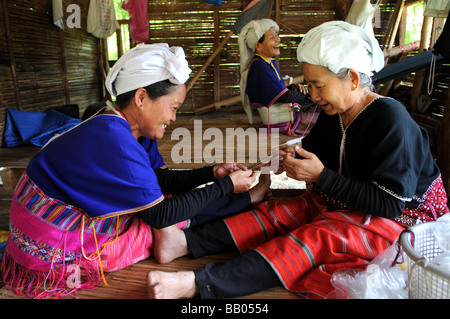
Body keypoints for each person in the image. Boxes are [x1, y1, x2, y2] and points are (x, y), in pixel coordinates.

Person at [146, 21, 449, 299]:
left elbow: (389, 203)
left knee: (321, 235)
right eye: (311, 85)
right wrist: (289, 157)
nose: (313, 95)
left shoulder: (390, 120)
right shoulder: (335, 112)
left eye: (319, 85)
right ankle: (185, 243)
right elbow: (314, 154)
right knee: (285, 211)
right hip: (347, 203)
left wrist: (321, 177)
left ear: (353, 79)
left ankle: (199, 283)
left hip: (406, 222)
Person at [1, 43, 270, 298]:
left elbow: (158, 180)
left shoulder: (133, 131)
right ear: (142, 98)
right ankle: (234, 207)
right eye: (173, 107)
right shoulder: (113, 137)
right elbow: (160, 214)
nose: (173, 118)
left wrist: (211, 174)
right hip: (49, 250)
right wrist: (226, 186)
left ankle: (236, 204)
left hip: (49, 223)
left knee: (171, 203)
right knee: (164, 219)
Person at [239, 19, 319, 135]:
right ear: (258, 45)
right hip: (285, 120)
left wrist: (294, 87)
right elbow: (283, 97)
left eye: (277, 36)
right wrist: (311, 95)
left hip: (288, 114)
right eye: (272, 37)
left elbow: (278, 89)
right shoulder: (259, 65)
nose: (278, 39)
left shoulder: (267, 63)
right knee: (327, 117)